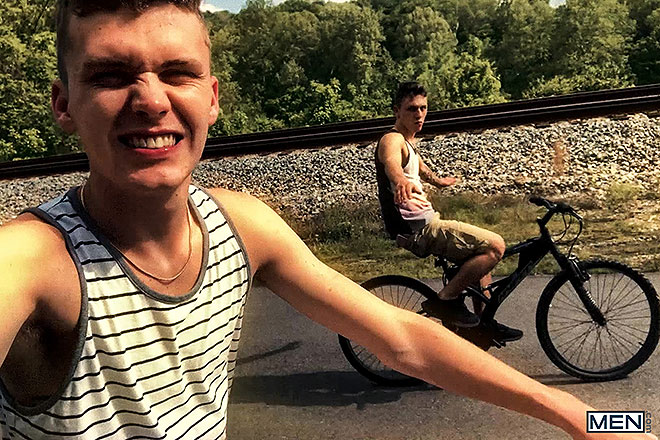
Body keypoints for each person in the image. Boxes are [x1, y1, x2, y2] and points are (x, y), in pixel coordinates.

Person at [0, 1, 655, 439]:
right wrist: (409, 188)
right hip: (415, 227)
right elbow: (397, 175)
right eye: (110, 75)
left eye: (178, 72)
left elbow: (402, 337)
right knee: (491, 242)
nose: (150, 100)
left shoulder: (240, 226)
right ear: (63, 103)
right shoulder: (31, 261)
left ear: (212, 97)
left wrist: (593, 421)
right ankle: (453, 300)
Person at [375, 81, 521, 340]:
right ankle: (446, 300)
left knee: (479, 259)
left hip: (424, 223)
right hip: (419, 229)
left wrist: (438, 181)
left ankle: (482, 326)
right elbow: (391, 164)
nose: (419, 114)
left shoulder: (408, 142)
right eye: (412, 109)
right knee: (495, 246)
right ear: (397, 111)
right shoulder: (392, 139)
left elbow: (420, 167)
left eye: (423, 108)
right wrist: (400, 181)